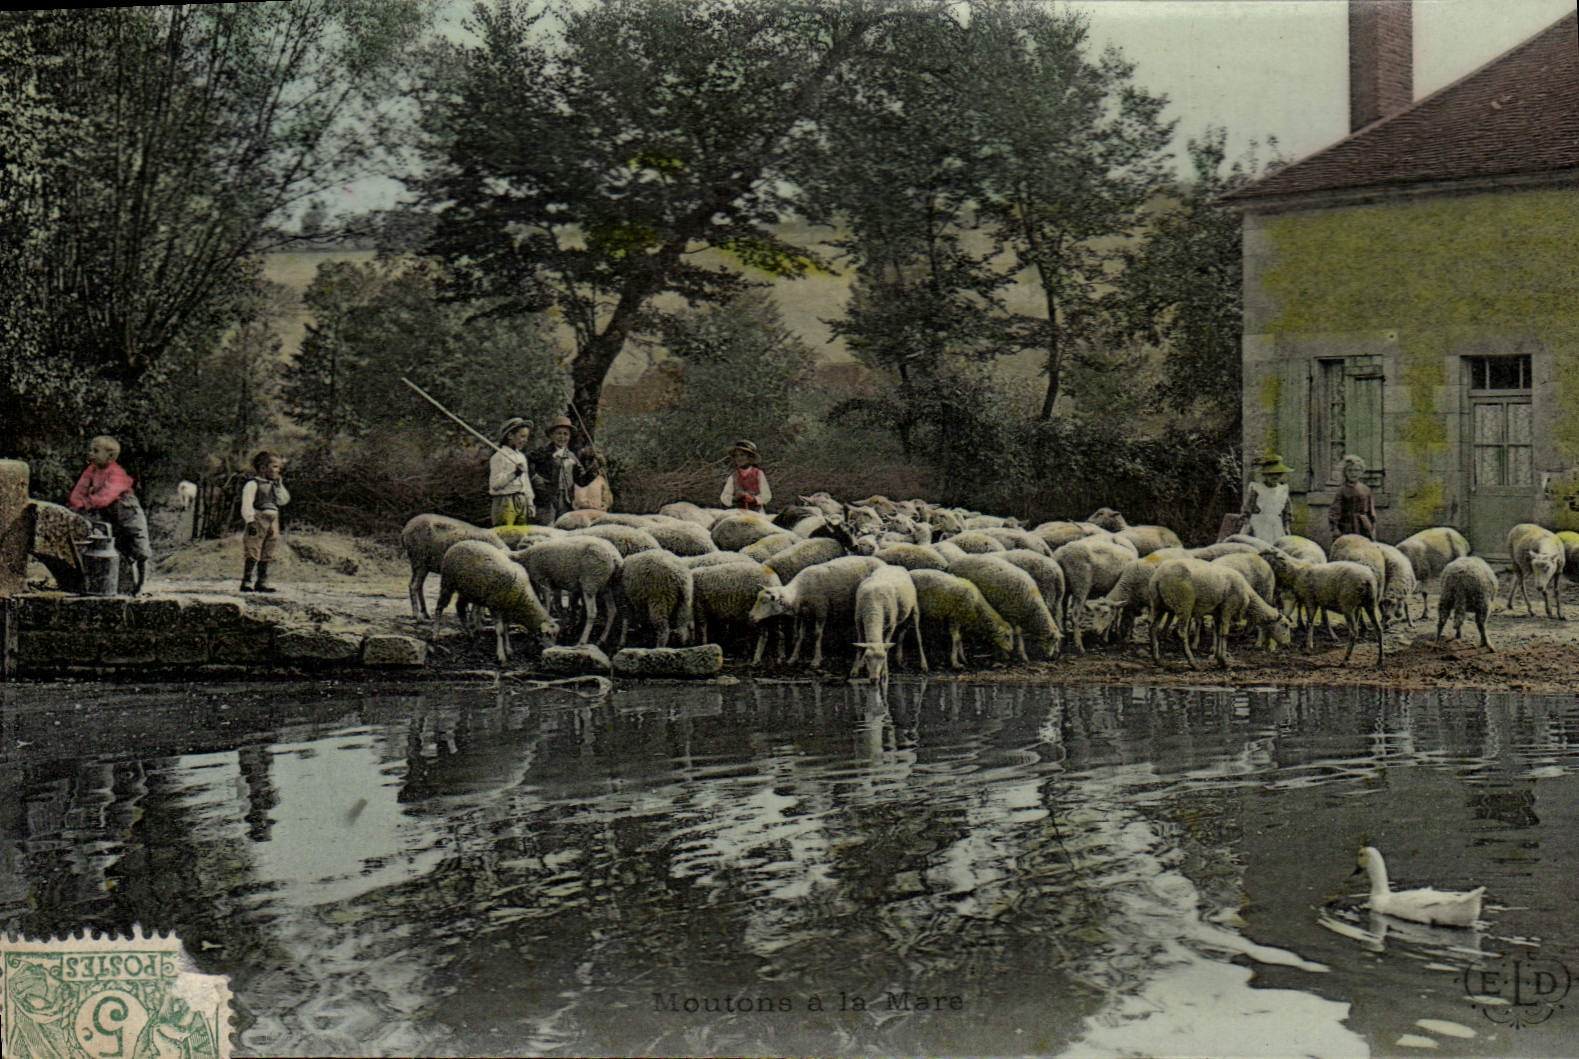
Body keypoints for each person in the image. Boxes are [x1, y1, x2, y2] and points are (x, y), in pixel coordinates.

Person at [67, 434, 154, 594]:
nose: (91, 454)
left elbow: (106, 496)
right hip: (109, 513)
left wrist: (86, 503)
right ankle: (119, 584)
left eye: (96, 451)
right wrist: (76, 503)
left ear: (111, 456)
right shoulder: (91, 470)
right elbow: (79, 490)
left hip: (128, 512)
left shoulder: (116, 473)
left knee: (140, 547)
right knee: (113, 545)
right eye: (91, 450)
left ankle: (141, 583)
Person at [240, 450, 290, 593]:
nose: (278, 470)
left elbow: (283, 501)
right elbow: (247, 502)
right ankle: (247, 580)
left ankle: (262, 581)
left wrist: (279, 486)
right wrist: (250, 519)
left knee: (269, 548)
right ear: (262, 468)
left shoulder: (275, 485)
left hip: (273, 520)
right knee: (253, 547)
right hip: (257, 519)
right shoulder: (253, 484)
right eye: (274, 466)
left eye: (279, 467)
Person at [530, 415, 582, 525]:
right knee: (546, 527)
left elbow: (581, 479)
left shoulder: (572, 456)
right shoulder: (543, 453)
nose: (562, 437)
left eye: (565, 434)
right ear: (551, 436)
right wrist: (536, 480)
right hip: (547, 500)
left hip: (567, 500)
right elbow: (526, 463)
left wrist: (594, 468)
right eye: (559, 433)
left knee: (564, 526)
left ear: (570, 437)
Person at [488, 417, 535, 527]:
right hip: (505, 501)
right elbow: (495, 484)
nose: (524, 440)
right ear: (510, 436)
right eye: (522, 436)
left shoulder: (521, 457)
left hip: (521, 499)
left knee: (520, 535)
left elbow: (526, 482)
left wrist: (530, 503)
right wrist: (514, 474)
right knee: (505, 534)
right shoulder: (499, 457)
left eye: (526, 437)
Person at [1243, 453, 1293, 542]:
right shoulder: (1257, 488)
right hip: (1259, 523)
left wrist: (1287, 526)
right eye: (1271, 474)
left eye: (1278, 474)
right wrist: (1247, 524)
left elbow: (1287, 511)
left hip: (1276, 524)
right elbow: (1248, 508)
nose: (1275, 476)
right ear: (1264, 475)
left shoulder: (1283, 490)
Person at [1328, 453, 1377, 540]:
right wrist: (1334, 528)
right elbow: (1335, 511)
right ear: (1345, 472)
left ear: (1361, 472)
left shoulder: (1366, 489)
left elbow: (1371, 511)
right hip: (1347, 525)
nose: (1353, 473)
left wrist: (1372, 526)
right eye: (1350, 470)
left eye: (1356, 470)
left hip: (1363, 525)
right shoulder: (1342, 490)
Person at [720, 439, 771, 512]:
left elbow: (766, 495)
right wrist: (735, 498)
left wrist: (754, 499)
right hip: (738, 511)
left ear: (750, 457)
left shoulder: (758, 473)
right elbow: (724, 497)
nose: (739, 458)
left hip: (756, 512)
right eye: (736, 456)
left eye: (742, 455)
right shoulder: (733, 476)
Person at [572, 446, 613, 513]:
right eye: (585, 461)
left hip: (597, 512)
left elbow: (608, 499)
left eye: (591, 461)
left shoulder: (600, 480)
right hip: (579, 513)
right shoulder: (575, 479)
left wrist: (605, 505)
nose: (589, 464)